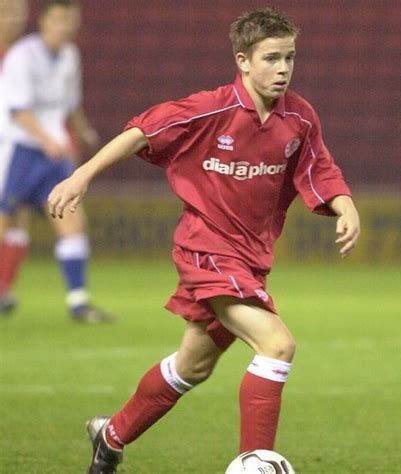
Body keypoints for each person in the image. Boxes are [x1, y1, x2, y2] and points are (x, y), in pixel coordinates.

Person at [48, 8, 361, 473]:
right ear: (243, 61)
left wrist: (345, 206)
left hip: (251, 258)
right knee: (276, 344)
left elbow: (320, 168)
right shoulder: (208, 109)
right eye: (271, 58)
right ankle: (252, 463)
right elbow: (140, 132)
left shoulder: (299, 117)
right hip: (206, 250)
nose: (283, 69)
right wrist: (82, 175)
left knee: (192, 366)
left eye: (289, 58)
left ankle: (109, 436)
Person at [0, 0, 114, 322]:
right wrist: (48, 140)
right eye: (60, 19)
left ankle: (79, 302)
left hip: (55, 153)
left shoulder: (69, 56)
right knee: (5, 222)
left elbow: (70, 104)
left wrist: (81, 131)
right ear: (45, 21)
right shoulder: (22, 56)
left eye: (71, 20)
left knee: (72, 219)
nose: (66, 26)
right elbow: (18, 110)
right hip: (20, 149)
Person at [0, 0, 30, 314]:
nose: (14, 19)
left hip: (15, 146)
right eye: (7, 12)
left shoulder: (25, 57)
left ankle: (4, 288)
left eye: (19, 13)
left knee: (17, 215)